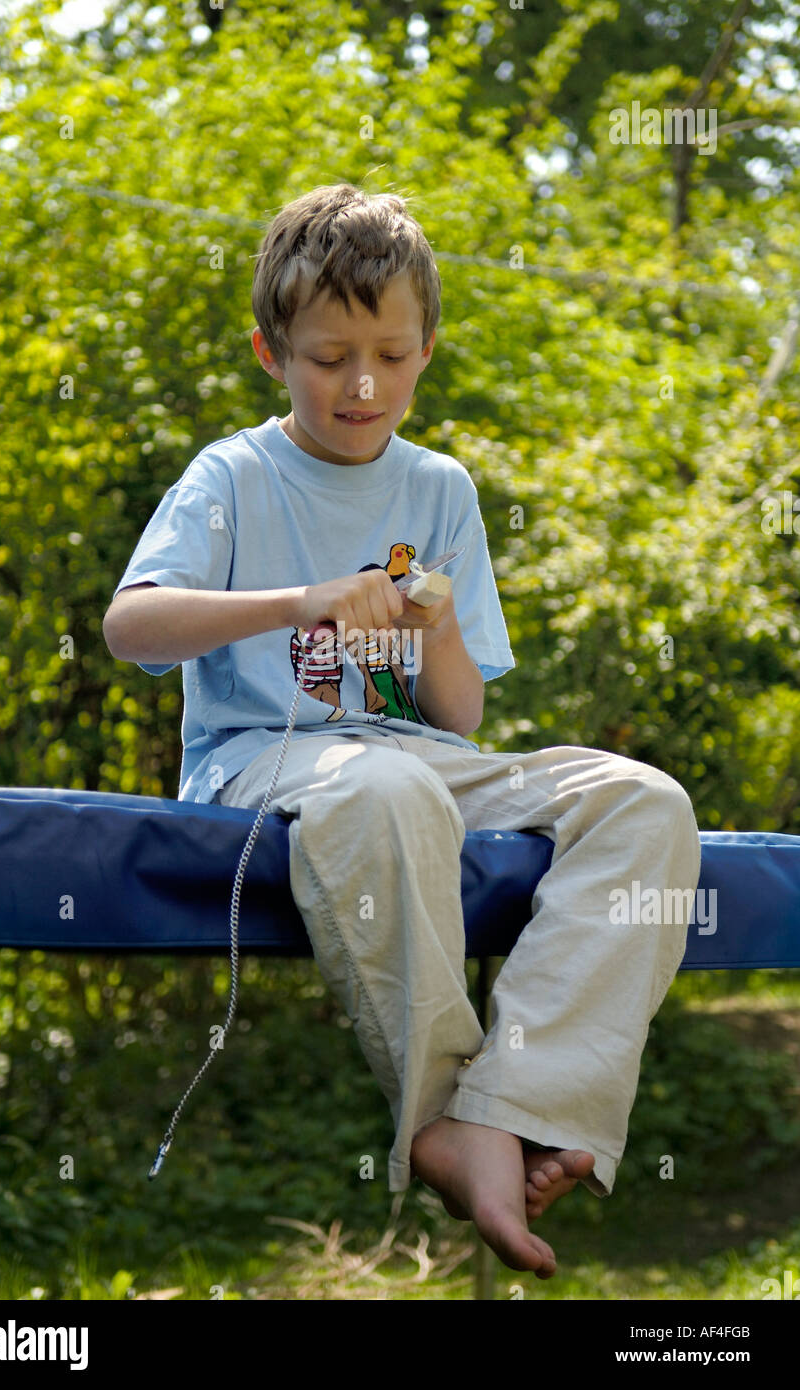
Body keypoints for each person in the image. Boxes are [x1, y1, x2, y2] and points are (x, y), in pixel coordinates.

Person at [103, 183, 701, 1278]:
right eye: (329, 356)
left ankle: (518, 1098)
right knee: (389, 794)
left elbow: (460, 717)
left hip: (417, 760)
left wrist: (431, 631)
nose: (362, 383)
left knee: (643, 802)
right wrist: (300, 600)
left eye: (390, 352)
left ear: (427, 349)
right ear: (270, 351)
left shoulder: (440, 488)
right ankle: (437, 1115)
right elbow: (130, 624)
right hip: (261, 764)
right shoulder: (232, 475)